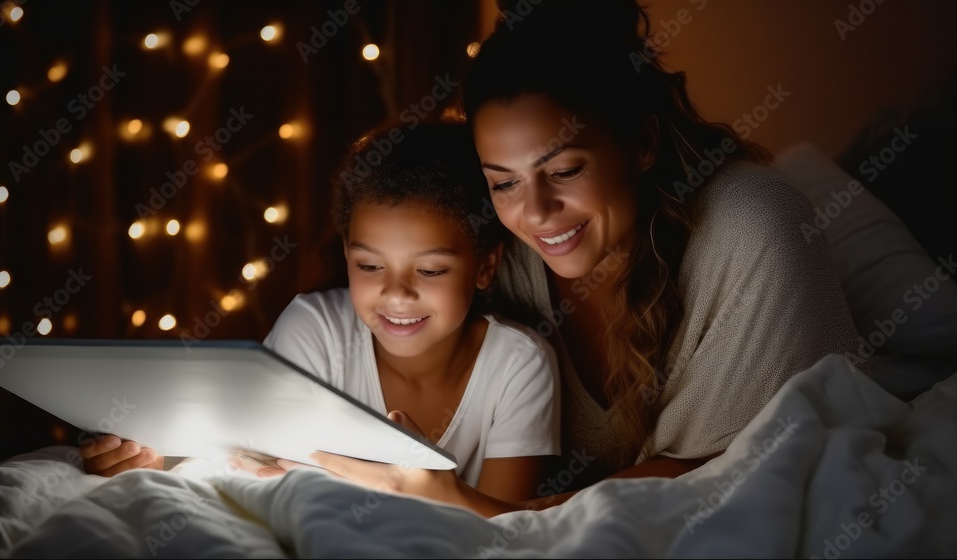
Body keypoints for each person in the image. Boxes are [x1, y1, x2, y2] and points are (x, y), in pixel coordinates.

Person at [275, 0, 864, 516]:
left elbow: (747, 466)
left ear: (642, 143)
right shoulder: (500, 251)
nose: (537, 213)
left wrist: (471, 504)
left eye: (564, 171)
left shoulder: (751, 225)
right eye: (504, 183)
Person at [80, 122, 561, 503]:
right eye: (370, 265)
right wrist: (153, 456)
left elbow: (508, 527)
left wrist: (434, 492)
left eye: (431, 271)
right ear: (348, 255)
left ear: (485, 267)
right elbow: (246, 453)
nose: (396, 294)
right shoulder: (315, 329)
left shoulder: (518, 364)